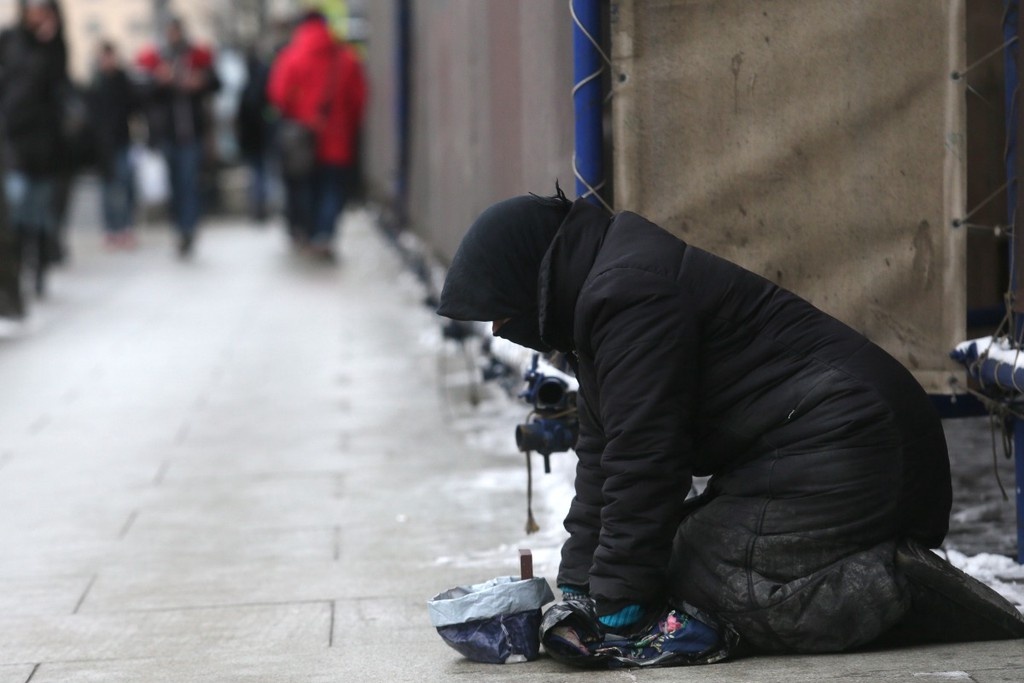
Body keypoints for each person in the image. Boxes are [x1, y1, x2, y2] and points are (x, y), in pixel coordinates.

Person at [436, 187, 1024, 659]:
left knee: (702, 583)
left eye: (503, 313)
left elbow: (646, 457)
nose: (499, 331)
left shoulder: (629, 296)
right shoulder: (599, 299)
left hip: (855, 447)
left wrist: (616, 601)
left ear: (533, 278)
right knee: (661, 560)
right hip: (821, 451)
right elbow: (604, 456)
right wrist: (580, 587)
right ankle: (865, 564)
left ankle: (904, 588)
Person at [267, 11, 366, 261]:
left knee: (306, 189)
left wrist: (300, 114)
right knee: (332, 189)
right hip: (337, 139)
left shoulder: (290, 56)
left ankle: (310, 233)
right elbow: (359, 99)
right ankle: (325, 234)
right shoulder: (346, 58)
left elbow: (279, 96)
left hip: (303, 140)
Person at [136, 17, 219, 258]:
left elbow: (215, 82)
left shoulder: (196, 57)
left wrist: (200, 82)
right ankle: (178, 227)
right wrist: (159, 81)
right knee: (174, 184)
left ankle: (189, 228)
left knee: (189, 182)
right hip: (167, 134)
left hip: (192, 133)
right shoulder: (156, 59)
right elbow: (142, 93)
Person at [0, 0, 68, 296]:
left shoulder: (54, 45)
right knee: (15, 203)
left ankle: (38, 267)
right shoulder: (9, 39)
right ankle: (16, 272)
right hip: (13, 137)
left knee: (39, 212)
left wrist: (49, 43)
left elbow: (58, 84)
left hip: (46, 141)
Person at [89, 40, 137, 248]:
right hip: (102, 146)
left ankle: (126, 227)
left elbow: (133, 106)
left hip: (122, 141)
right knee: (107, 190)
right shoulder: (96, 83)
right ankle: (111, 229)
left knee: (125, 186)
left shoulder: (123, 80)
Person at [236, 47, 271, 222]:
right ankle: (261, 204)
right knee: (261, 172)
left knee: (257, 173)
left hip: (253, 138)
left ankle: (258, 205)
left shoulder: (247, 87)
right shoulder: (263, 83)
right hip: (261, 136)